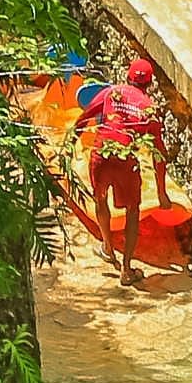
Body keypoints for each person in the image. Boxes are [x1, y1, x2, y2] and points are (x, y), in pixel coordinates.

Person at [71, 54, 167, 284]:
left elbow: (83, 119)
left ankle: (107, 247)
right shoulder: (150, 109)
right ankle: (126, 269)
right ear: (150, 83)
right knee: (133, 210)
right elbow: (158, 154)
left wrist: (68, 149)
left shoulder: (111, 92)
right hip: (125, 161)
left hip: (101, 153)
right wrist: (161, 192)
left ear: (127, 76)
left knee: (100, 198)